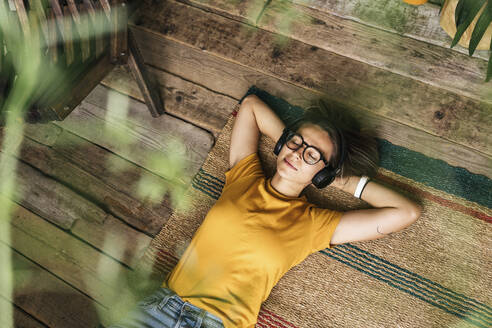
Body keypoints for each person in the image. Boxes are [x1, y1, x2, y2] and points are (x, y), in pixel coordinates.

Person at [108, 94, 422, 328]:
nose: (298, 153)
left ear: (325, 173)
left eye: (312, 154)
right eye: (296, 142)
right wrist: (296, 145)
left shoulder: (314, 224)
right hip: (157, 309)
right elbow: (251, 107)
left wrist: (337, 180)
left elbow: (405, 212)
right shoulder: (244, 177)